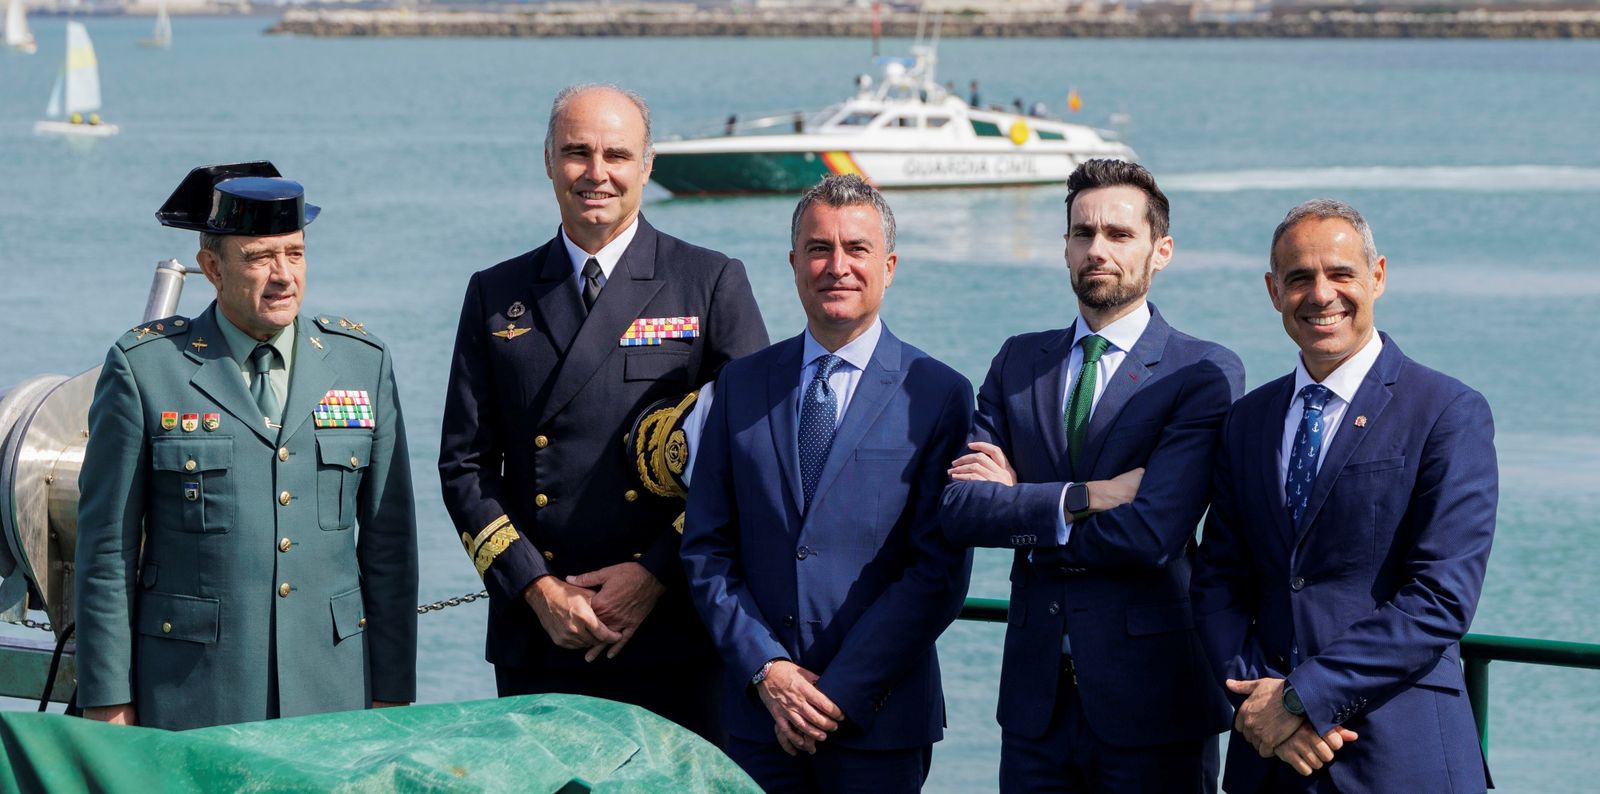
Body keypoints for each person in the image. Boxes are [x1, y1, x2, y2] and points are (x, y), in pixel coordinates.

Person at [438, 83, 768, 740]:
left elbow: (750, 453)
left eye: (617, 155)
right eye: (577, 153)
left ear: (647, 165)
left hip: (672, 627)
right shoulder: (496, 293)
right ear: (548, 160)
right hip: (541, 633)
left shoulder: (708, 281)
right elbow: (465, 467)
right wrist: (537, 588)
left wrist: (652, 575)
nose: (597, 174)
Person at [74, 162, 418, 731]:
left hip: (332, 689)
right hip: (191, 691)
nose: (283, 275)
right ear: (212, 267)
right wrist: (108, 698)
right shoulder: (147, 370)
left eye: (295, 254)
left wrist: (391, 691)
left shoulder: (363, 363)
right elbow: (106, 551)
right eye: (260, 258)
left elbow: (390, 548)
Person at [940, 158, 1243, 793]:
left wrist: (1021, 506)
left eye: (1118, 234)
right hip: (1035, 706)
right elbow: (961, 509)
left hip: (1155, 704)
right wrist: (1085, 497)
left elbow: (1153, 534)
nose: (1097, 249)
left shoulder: (1202, 372)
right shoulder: (1019, 360)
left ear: (1161, 251)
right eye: (1083, 233)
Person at [1192, 199, 1496, 792]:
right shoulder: (1248, 420)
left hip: (1399, 756)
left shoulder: (1447, 412)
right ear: (1273, 291)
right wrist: (1262, 705)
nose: (1321, 293)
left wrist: (1305, 697)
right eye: (1299, 278)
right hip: (1270, 760)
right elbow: (1218, 581)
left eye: (1341, 274)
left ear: (1377, 276)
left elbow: (1440, 597)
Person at [682, 174, 973, 793]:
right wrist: (766, 670)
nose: (836, 266)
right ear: (793, 263)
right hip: (759, 722)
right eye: (819, 249)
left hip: (881, 723)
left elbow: (937, 573)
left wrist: (836, 693)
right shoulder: (740, 386)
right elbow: (707, 549)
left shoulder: (940, 395)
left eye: (856, 249)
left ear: (889, 266)